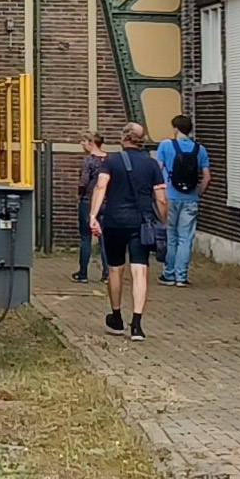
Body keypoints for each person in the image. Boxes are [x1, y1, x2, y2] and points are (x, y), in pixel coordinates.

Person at [90, 121, 169, 341]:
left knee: (115, 270)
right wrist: (164, 220)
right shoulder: (151, 165)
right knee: (140, 271)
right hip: (142, 223)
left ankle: (116, 317)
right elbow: (161, 199)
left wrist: (93, 216)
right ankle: (137, 325)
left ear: (124, 138)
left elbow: (100, 186)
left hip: (115, 221)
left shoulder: (111, 161)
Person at [154, 114, 212, 287]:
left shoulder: (165, 145)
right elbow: (207, 177)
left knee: (172, 236)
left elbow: (158, 171)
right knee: (185, 238)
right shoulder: (199, 149)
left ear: (175, 128)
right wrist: (197, 193)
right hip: (191, 199)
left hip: (170, 197)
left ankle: (168, 274)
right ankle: (182, 277)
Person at [71, 132, 108, 282]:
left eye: (84, 141)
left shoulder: (89, 160)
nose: (82, 144)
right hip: (106, 201)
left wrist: (79, 194)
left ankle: (83, 273)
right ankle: (106, 273)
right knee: (105, 238)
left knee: (85, 237)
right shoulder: (109, 159)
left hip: (88, 200)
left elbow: (84, 181)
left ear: (92, 142)